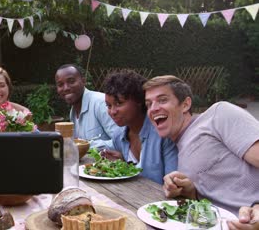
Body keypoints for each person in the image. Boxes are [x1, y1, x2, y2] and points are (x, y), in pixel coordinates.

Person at [143, 75, 259, 227]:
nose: (153, 108)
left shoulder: (217, 115)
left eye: (162, 100)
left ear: (185, 104)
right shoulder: (178, 151)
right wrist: (193, 192)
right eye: (148, 104)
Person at [101, 70, 178, 184]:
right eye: (108, 105)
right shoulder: (119, 136)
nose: (112, 111)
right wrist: (123, 164)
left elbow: (174, 184)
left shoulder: (162, 133)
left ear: (139, 101)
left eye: (119, 103)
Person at [55, 64, 119, 150]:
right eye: (60, 84)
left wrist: (87, 145)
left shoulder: (100, 103)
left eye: (71, 81)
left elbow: (122, 141)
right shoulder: (73, 112)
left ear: (83, 81)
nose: (66, 88)